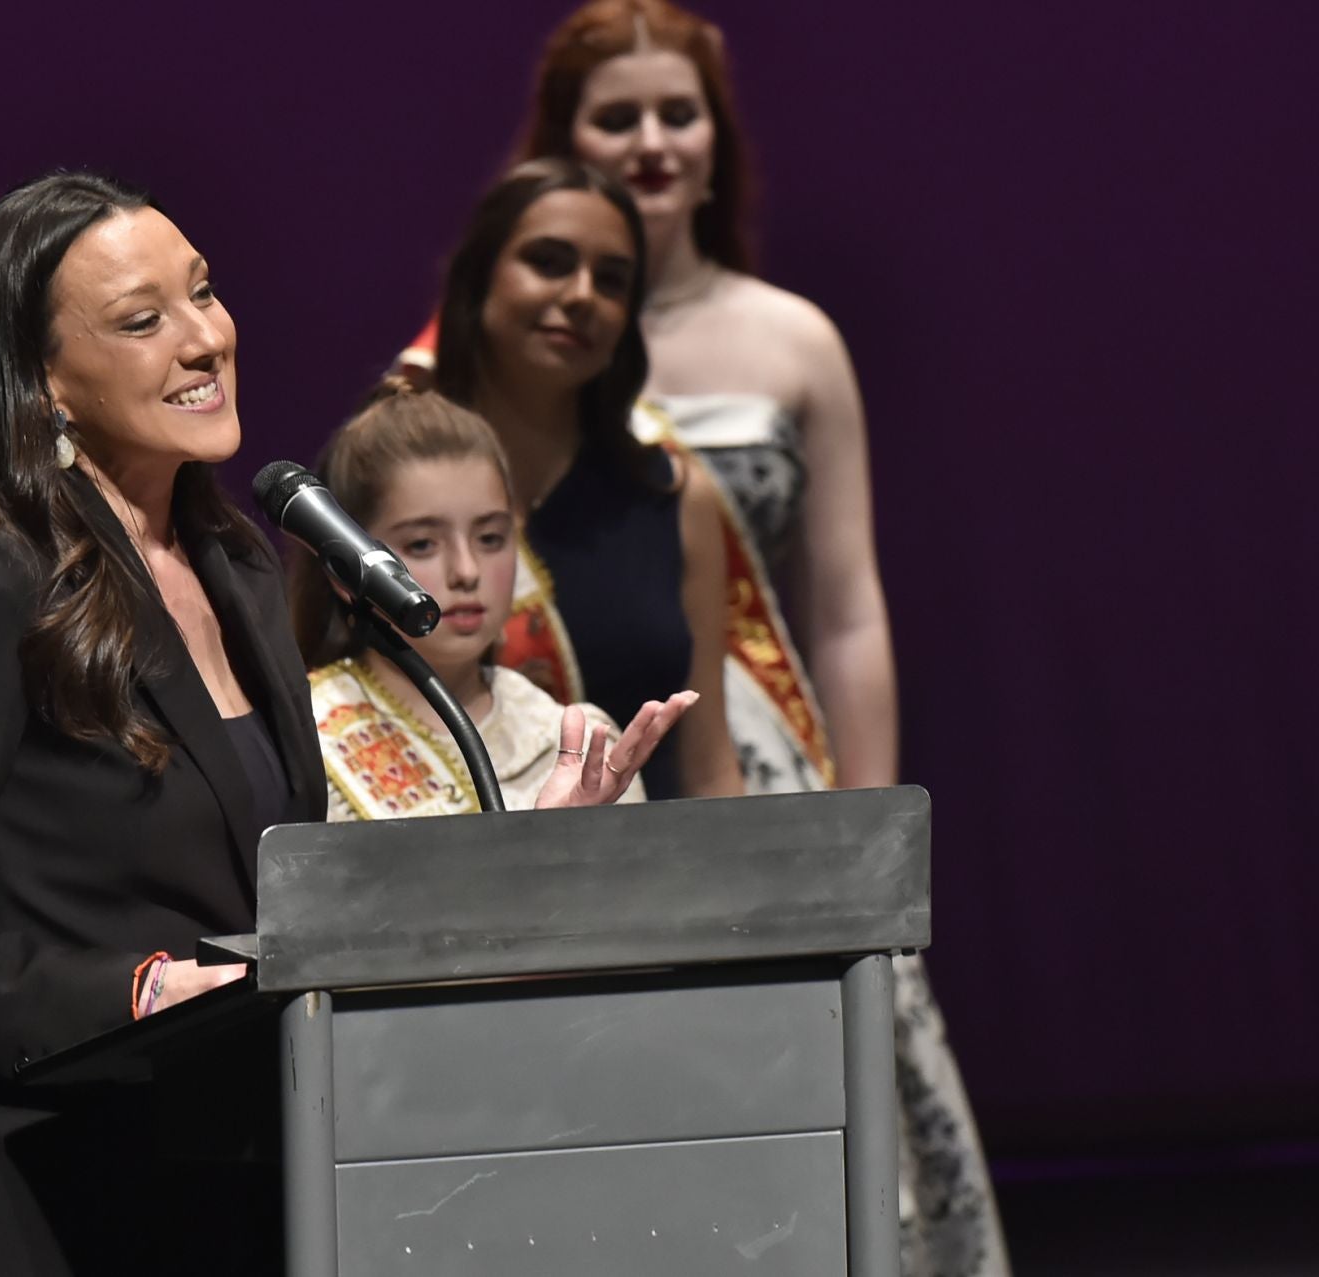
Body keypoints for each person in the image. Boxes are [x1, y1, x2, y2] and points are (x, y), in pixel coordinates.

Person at [0, 171, 688, 1276]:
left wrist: (520, 843)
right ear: (44, 384)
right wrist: (130, 991)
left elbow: (291, 903)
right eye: (143, 320)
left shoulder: (238, 561)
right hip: (37, 1210)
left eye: (205, 293)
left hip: (226, 1200)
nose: (204, 338)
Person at [424, 5, 1008, 1272]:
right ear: (561, 138)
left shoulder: (794, 338)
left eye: (676, 113)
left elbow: (845, 603)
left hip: (730, 757)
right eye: (613, 116)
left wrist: (864, 823)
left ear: (717, 135)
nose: (649, 142)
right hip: (542, 759)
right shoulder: (438, 374)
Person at [428, 156, 744, 803]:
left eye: (612, 280)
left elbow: (708, 764)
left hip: (651, 886)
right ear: (479, 277)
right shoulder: (394, 481)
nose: (580, 294)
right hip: (446, 887)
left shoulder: (677, 497)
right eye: (548, 261)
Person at [291, 382, 688, 818]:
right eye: (422, 544)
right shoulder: (305, 739)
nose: (466, 571)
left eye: (491, 538)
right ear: (346, 569)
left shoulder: (575, 743)